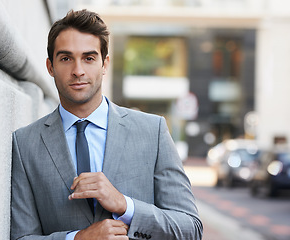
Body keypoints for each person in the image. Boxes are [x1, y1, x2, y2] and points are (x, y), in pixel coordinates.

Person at [11, 9, 203, 240]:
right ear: (50, 67)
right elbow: (21, 237)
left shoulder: (153, 131)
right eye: (66, 58)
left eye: (89, 58)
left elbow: (190, 229)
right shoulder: (25, 144)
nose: (78, 71)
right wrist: (78, 238)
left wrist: (125, 205)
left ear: (105, 64)